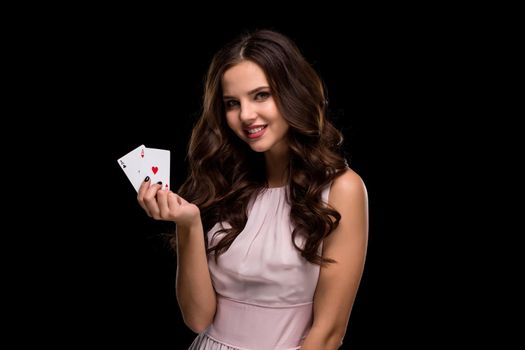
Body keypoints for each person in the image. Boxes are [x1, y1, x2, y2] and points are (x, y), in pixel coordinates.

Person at [137, 29, 368, 350]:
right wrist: (187, 223)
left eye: (261, 95)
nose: (246, 115)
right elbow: (198, 318)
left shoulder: (342, 188)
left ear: (292, 93)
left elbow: (328, 333)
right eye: (232, 103)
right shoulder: (223, 182)